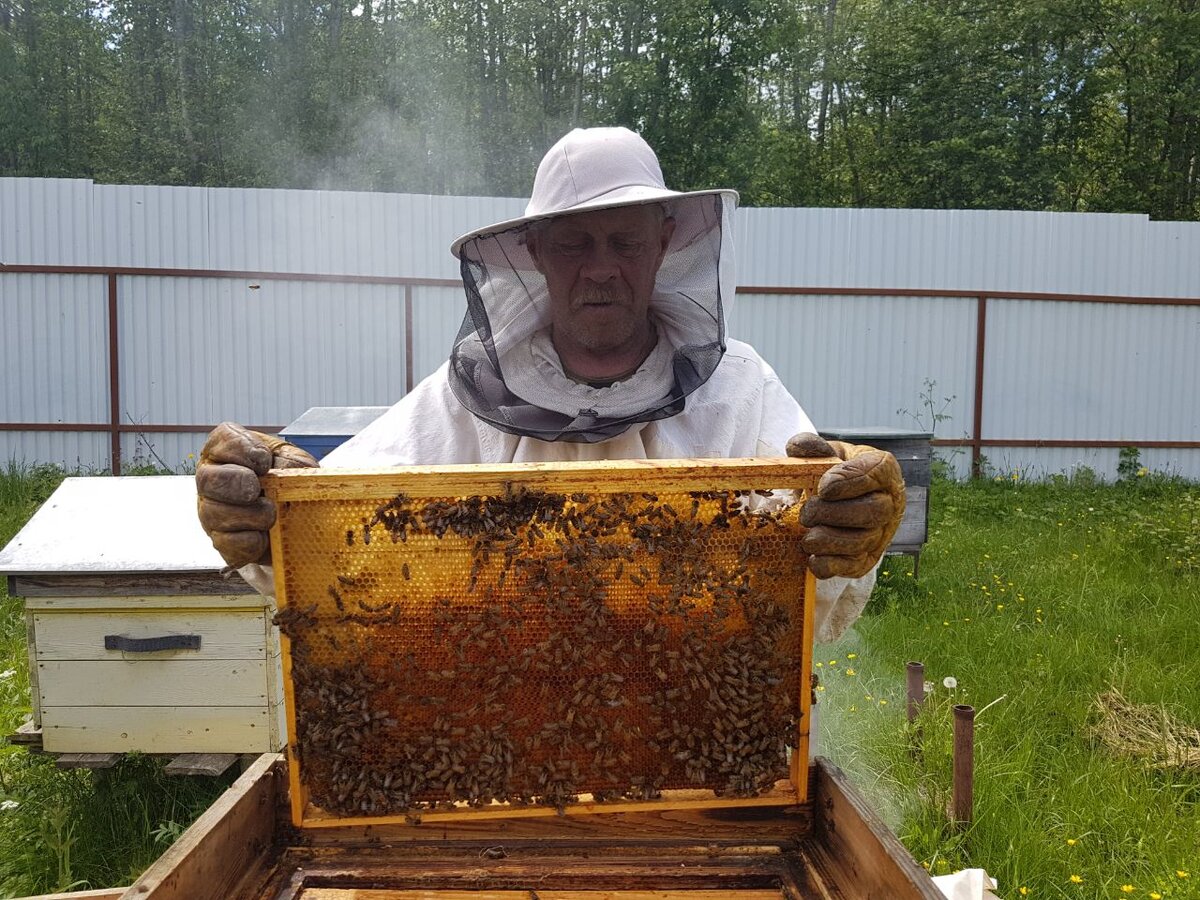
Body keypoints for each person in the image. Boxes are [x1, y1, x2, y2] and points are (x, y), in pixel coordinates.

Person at [196, 127, 905, 642]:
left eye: (624, 240)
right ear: (534, 252)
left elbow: (821, 585)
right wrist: (266, 510)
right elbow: (323, 539)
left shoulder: (741, 391)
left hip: (687, 782)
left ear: (662, 243)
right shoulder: (463, 401)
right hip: (494, 776)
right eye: (574, 242)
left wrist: (856, 525)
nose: (601, 267)